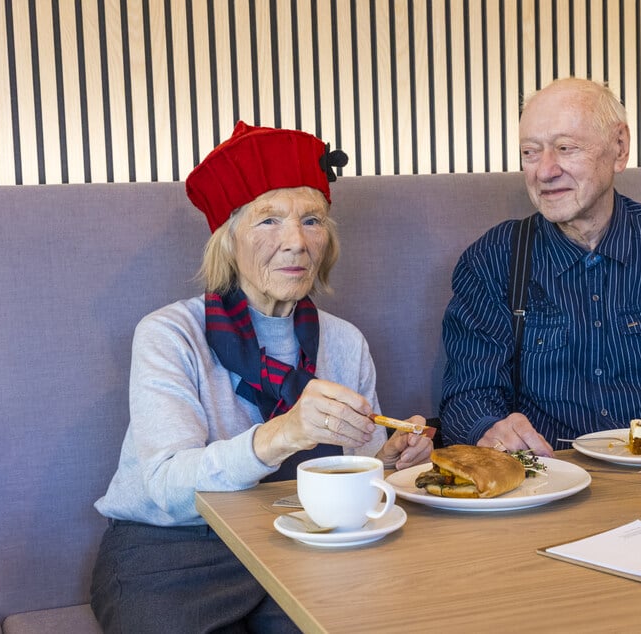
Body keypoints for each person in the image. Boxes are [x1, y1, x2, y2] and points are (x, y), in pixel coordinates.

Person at [91, 121, 432, 633]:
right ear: (227, 243)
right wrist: (284, 433)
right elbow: (165, 485)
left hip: (296, 538)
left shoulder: (344, 342)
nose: (296, 242)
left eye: (312, 220)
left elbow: (348, 487)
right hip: (174, 553)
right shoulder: (169, 334)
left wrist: (383, 462)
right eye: (268, 220)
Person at [439, 77, 641, 455]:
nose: (544, 171)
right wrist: (488, 428)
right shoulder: (492, 260)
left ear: (619, 148)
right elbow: (466, 399)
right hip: (552, 483)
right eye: (530, 152)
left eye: (565, 148)